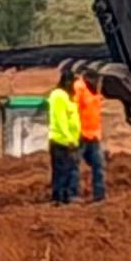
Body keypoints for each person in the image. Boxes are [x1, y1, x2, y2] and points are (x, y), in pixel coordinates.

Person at [71, 62, 109, 203]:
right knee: (74, 166)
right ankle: (73, 194)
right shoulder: (79, 88)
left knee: (99, 165)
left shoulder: (95, 90)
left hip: (94, 135)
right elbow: (72, 109)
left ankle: (100, 194)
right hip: (80, 134)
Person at [43, 67, 82, 204]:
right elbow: (61, 120)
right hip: (62, 141)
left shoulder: (66, 96)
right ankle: (63, 196)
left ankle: (64, 196)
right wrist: (69, 139)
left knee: (67, 169)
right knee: (65, 169)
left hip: (68, 140)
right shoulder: (59, 96)